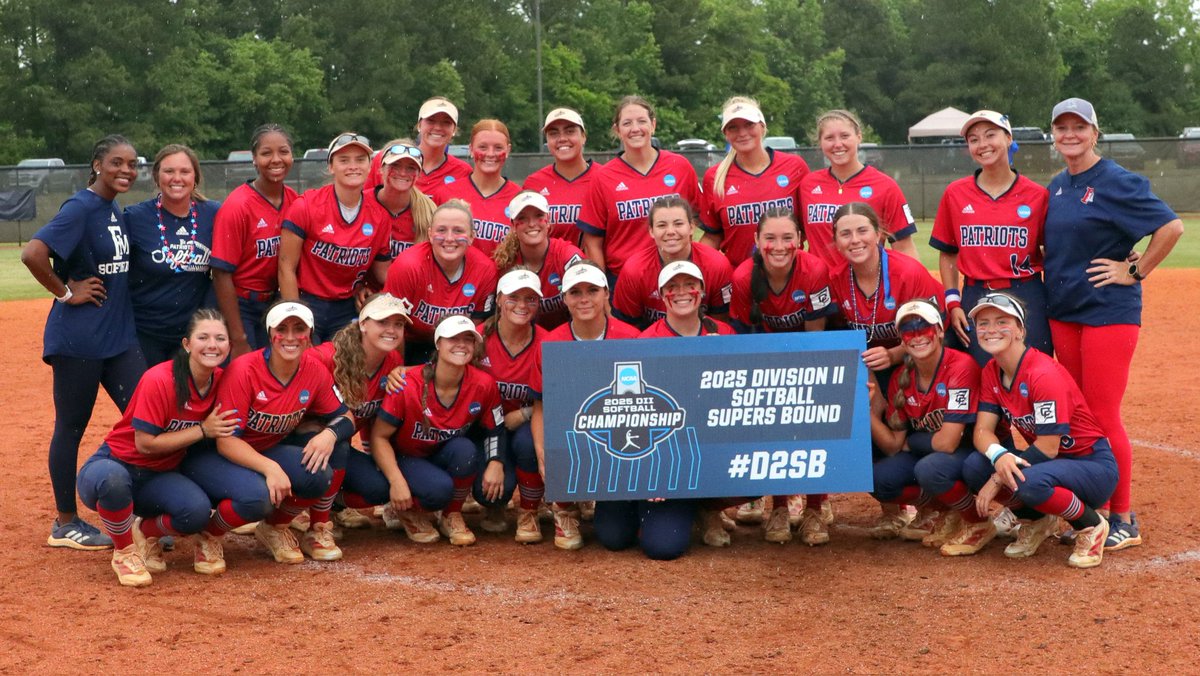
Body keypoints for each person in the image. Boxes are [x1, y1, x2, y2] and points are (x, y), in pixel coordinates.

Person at [1043, 97, 1184, 552]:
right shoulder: (1058, 185)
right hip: (1065, 311)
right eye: (1062, 127)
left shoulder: (1117, 180)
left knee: (1103, 415)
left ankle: (1123, 517)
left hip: (1108, 311)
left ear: (1095, 133)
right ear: (1053, 135)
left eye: (1078, 127)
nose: (1070, 134)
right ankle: (1095, 512)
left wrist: (1134, 270)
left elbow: (1171, 227)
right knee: (1080, 415)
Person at [21, 134, 146, 550]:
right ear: (97, 165)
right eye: (117, 162)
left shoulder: (112, 207)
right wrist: (65, 292)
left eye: (132, 163)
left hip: (118, 338)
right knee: (71, 427)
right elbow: (33, 253)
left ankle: (146, 508)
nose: (126, 169)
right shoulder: (80, 206)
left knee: (147, 419)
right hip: (79, 339)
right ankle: (65, 522)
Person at [180, 301, 355, 564]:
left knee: (319, 473)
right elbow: (226, 442)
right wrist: (270, 468)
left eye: (299, 329)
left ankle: (274, 527)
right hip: (216, 455)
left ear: (309, 335)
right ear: (270, 333)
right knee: (258, 497)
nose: (290, 337)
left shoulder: (313, 369)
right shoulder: (244, 370)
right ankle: (208, 534)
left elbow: (346, 416)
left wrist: (329, 434)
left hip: (264, 449)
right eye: (281, 329)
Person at [77, 309, 238, 586]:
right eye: (203, 337)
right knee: (113, 481)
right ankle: (124, 552)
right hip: (116, 462)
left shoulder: (222, 381)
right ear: (186, 344)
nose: (212, 345)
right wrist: (202, 430)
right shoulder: (160, 379)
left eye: (220, 338)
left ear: (229, 345)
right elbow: (144, 444)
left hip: (158, 476)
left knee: (196, 512)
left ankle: (144, 531)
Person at [958, 293, 1118, 568]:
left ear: (1020, 330)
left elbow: (1048, 447)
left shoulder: (1042, 374)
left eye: (1002, 321)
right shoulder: (991, 371)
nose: (991, 329)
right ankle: (1035, 520)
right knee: (975, 465)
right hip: (1051, 465)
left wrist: (998, 477)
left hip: (1091, 466)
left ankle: (1091, 525)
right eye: (983, 323)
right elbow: (982, 432)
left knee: (1028, 482)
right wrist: (999, 456)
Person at [588, 261, 733, 560]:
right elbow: (632, 413)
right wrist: (649, 471)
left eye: (690, 285)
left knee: (663, 547)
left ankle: (704, 506)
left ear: (702, 291)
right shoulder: (645, 342)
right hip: (647, 455)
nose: (682, 292)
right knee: (614, 537)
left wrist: (718, 358)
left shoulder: (724, 335)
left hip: (693, 456)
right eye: (672, 287)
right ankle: (639, 504)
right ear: (661, 295)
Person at [823, 202, 943, 540]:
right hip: (872, 369)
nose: (855, 240)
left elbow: (937, 328)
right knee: (865, 424)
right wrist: (870, 371)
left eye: (862, 230)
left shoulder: (907, 272)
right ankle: (892, 511)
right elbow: (838, 334)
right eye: (845, 233)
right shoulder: (836, 279)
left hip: (915, 364)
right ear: (835, 241)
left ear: (879, 234)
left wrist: (893, 354)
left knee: (919, 437)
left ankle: (937, 507)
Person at [343, 315, 504, 546]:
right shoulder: (407, 383)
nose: (461, 344)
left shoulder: (483, 383)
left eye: (468, 339)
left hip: (441, 453)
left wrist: (496, 462)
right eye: (453, 338)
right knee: (438, 490)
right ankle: (405, 509)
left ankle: (451, 514)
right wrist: (396, 480)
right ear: (438, 343)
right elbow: (379, 437)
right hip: (406, 457)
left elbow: (495, 429)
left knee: (465, 450)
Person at [728, 207, 838, 543]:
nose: (779, 246)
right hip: (764, 358)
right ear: (756, 240)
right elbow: (742, 340)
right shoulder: (743, 277)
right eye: (770, 238)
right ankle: (778, 504)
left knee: (814, 422)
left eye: (787, 237)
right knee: (769, 424)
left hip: (809, 354)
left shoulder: (814, 269)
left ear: (800, 240)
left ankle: (815, 506)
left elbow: (816, 337)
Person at [863, 300, 994, 556]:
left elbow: (948, 443)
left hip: (971, 452)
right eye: (908, 331)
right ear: (901, 340)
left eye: (924, 328)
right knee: (878, 480)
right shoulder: (901, 377)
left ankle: (978, 522)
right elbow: (892, 446)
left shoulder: (961, 367)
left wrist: (913, 443)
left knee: (930, 468)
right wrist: (864, 411)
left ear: (940, 331)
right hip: (937, 453)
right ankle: (947, 510)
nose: (917, 336)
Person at [530, 260, 642, 549]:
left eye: (592, 290)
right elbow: (541, 406)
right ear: (564, 298)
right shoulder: (551, 344)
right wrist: (542, 452)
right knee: (543, 440)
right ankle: (564, 507)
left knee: (615, 538)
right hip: (574, 431)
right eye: (575, 292)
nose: (584, 299)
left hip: (621, 435)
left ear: (606, 293)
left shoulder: (631, 338)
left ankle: (609, 499)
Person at [930, 110, 1052, 366]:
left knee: (1033, 369)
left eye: (990, 135)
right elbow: (948, 253)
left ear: (1008, 138)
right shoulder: (955, 193)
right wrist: (953, 303)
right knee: (981, 372)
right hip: (976, 293)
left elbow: (1054, 250)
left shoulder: (1037, 195)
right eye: (973, 139)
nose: (982, 144)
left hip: (1025, 292)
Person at [308, 293, 410, 534]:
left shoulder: (392, 360)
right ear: (363, 324)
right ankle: (309, 517)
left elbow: (375, 421)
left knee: (379, 488)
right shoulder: (324, 357)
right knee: (339, 446)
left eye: (398, 324)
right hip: (303, 442)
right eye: (382, 322)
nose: (391, 330)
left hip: (336, 443)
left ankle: (328, 505)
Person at [279, 132, 393, 342]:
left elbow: (383, 275)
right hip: (307, 301)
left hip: (346, 305)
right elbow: (286, 268)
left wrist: (371, 291)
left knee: (345, 361)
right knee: (306, 359)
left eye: (360, 160)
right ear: (331, 166)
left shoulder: (380, 217)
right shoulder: (306, 206)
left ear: (370, 166)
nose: (353, 166)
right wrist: (296, 317)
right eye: (344, 160)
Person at [577, 95, 703, 282]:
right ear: (617, 130)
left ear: (653, 125)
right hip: (623, 280)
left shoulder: (679, 166)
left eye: (642, 121)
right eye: (627, 123)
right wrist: (601, 287)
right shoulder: (603, 177)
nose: (635, 129)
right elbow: (592, 242)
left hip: (676, 277)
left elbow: (704, 220)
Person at [124, 144, 220, 365]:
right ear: (157, 176)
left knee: (188, 388)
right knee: (150, 387)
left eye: (184, 171)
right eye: (169, 171)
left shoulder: (213, 214)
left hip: (191, 334)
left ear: (195, 177)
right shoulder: (135, 218)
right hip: (144, 332)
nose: (177, 178)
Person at [211, 124, 299, 359]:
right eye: (266, 153)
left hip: (276, 302)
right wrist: (238, 337)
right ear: (254, 159)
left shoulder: (295, 201)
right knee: (244, 369)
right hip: (241, 304)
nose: (276, 159)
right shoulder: (237, 205)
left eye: (283, 151)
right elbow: (220, 273)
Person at [474, 269, 548, 543]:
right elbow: (443, 372)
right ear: (498, 299)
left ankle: (529, 510)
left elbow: (561, 396)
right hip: (486, 427)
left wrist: (525, 413)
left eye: (530, 299)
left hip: (526, 424)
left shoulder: (547, 342)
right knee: (488, 491)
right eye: (513, 297)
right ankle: (493, 506)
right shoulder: (477, 338)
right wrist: (403, 371)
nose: (522, 305)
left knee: (528, 443)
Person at [799, 109, 920, 269]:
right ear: (820, 142)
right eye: (829, 138)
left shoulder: (885, 186)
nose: (837, 144)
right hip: (819, 283)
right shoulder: (808, 184)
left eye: (845, 136)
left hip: (866, 281)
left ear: (859, 137)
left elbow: (904, 247)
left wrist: (914, 282)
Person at [699, 96, 811, 266]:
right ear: (725, 134)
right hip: (738, 276)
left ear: (762, 126)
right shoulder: (714, 177)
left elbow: (810, 228)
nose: (742, 133)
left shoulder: (794, 167)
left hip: (790, 275)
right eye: (733, 127)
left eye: (749, 125)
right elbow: (713, 235)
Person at [384, 199, 498, 364]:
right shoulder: (408, 266)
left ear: (472, 236)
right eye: (441, 230)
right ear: (430, 234)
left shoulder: (485, 270)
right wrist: (399, 369)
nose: (449, 238)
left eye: (458, 231)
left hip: (456, 343)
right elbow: (392, 326)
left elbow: (474, 329)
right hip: (410, 342)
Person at [613, 196, 733, 330]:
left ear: (691, 227)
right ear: (651, 231)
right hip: (651, 340)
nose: (670, 232)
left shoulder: (716, 265)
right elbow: (626, 328)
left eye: (678, 224)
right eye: (662, 225)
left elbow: (721, 324)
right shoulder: (635, 270)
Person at [429, 119, 523, 256]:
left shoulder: (519, 199)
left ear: (508, 150)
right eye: (483, 147)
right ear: (471, 149)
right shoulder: (446, 194)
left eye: (498, 148)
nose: (490, 154)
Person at [493, 191, 583, 329]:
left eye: (538, 216)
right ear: (513, 225)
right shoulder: (505, 262)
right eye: (522, 218)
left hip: (566, 336)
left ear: (548, 220)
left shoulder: (566, 255)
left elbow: (587, 302)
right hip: (522, 334)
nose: (531, 224)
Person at [522, 107, 598, 245]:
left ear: (583, 136)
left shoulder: (603, 177)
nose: (562, 139)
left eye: (570, 131)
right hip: (550, 259)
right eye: (553, 133)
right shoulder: (534, 183)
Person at [366, 97, 472, 193]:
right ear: (419, 125)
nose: (438, 127)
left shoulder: (463, 171)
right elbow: (366, 202)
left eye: (446, 122)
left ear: (454, 129)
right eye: (431, 120)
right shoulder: (386, 158)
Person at [368, 140, 436, 259]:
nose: (403, 173)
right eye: (395, 165)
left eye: (411, 168)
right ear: (381, 169)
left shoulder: (429, 212)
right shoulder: (362, 202)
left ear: (419, 174)